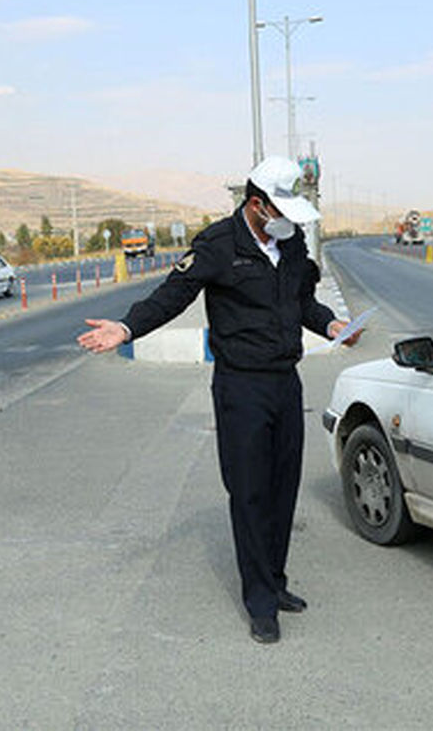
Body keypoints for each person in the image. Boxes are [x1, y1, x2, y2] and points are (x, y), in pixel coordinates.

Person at [77, 156, 360, 644]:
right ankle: (260, 602)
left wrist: (332, 324)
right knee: (250, 492)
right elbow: (172, 295)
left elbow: (303, 303)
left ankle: (276, 580)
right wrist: (126, 327)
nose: (287, 220)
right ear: (256, 204)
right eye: (281, 209)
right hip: (241, 386)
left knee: (281, 489)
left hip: (285, 384)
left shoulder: (291, 248)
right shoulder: (218, 246)